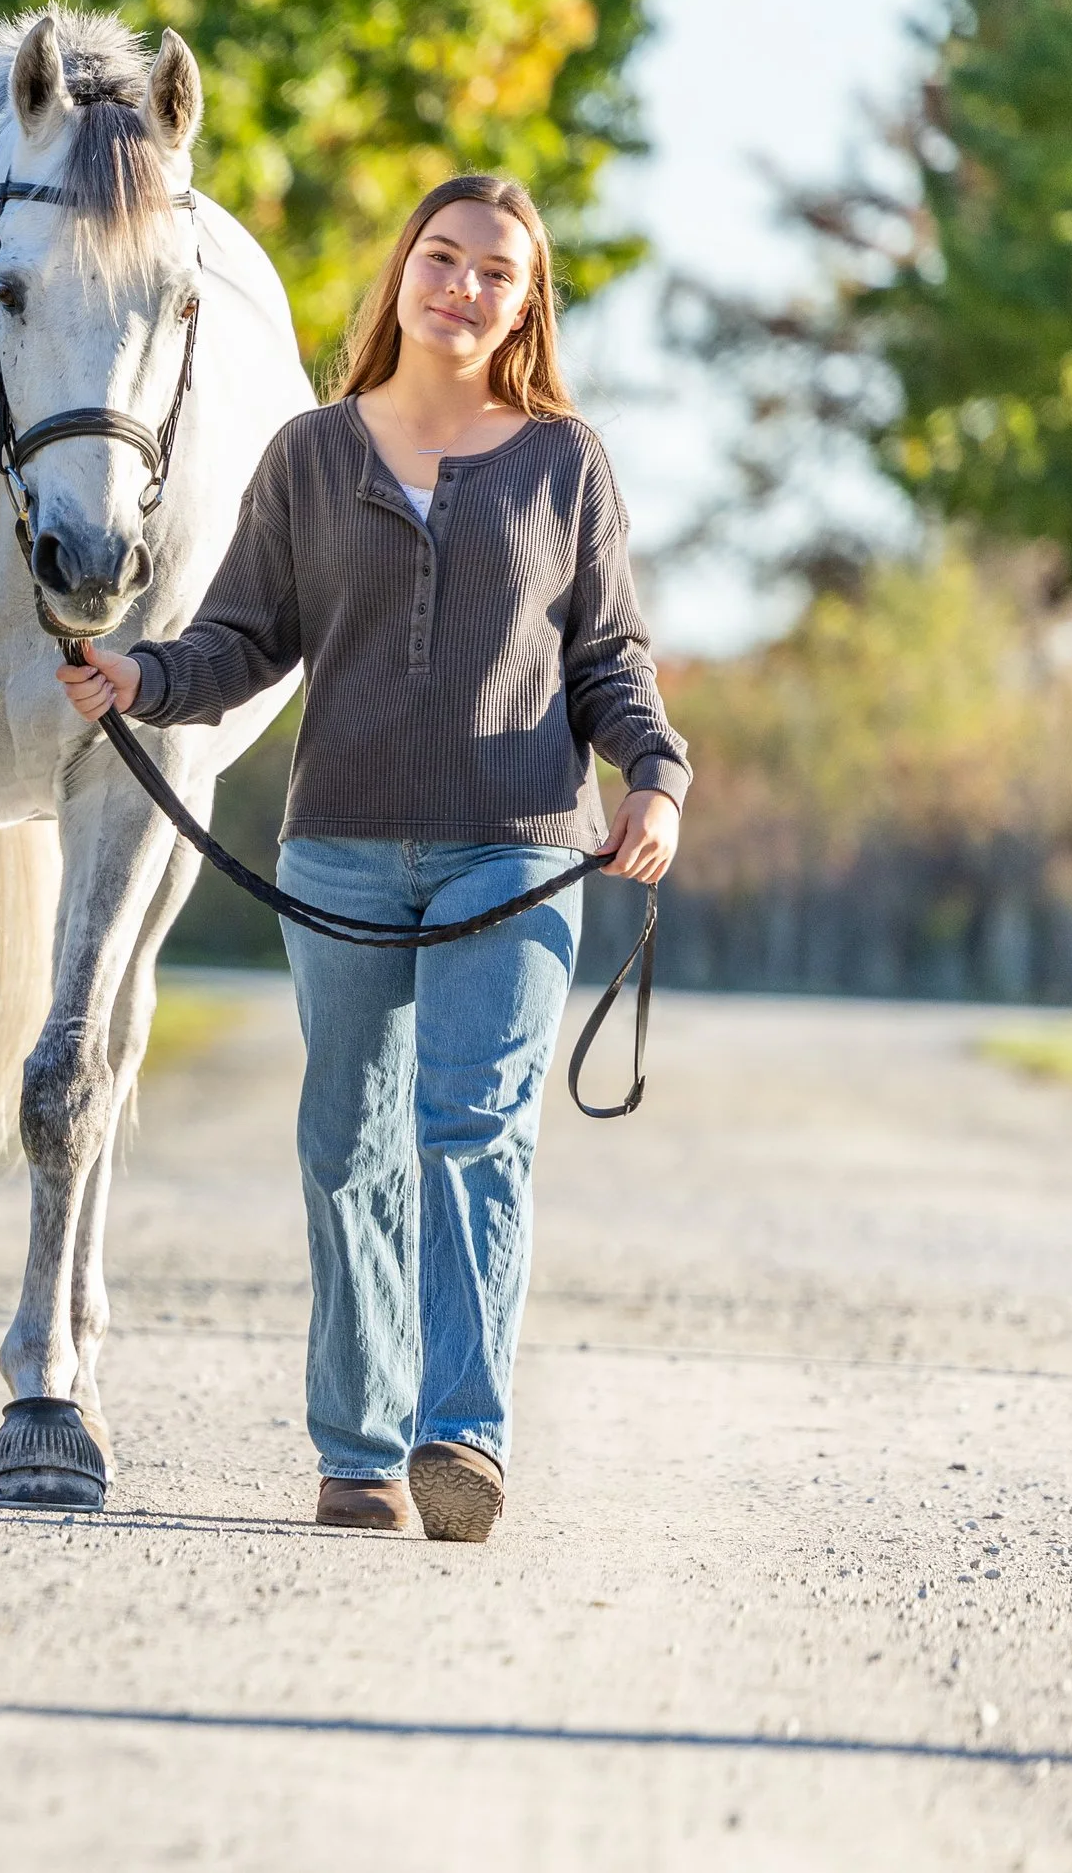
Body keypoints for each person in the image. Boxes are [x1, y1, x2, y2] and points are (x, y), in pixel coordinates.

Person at [56, 174, 687, 1543]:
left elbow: (607, 655)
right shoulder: (310, 453)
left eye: (496, 274)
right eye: (443, 258)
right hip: (336, 847)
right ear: (404, 270)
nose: (462, 287)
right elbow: (242, 637)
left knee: (470, 1127)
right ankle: (360, 1450)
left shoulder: (562, 463)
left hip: (515, 846)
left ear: (526, 305)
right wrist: (141, 677)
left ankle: (461, 1436)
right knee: (349, 1138)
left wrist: (655, 777)